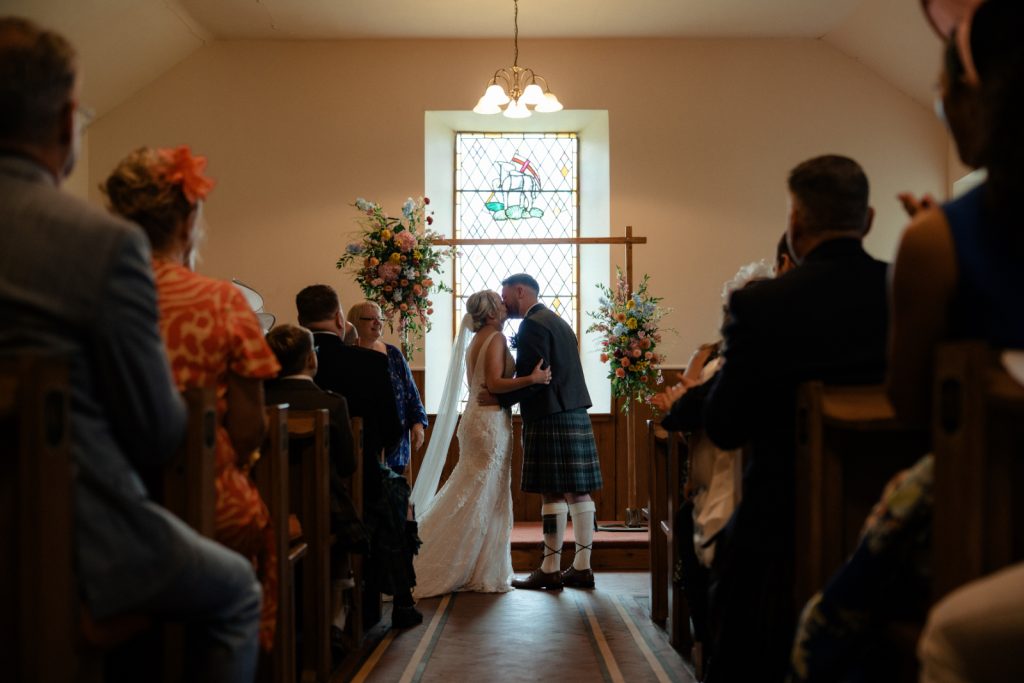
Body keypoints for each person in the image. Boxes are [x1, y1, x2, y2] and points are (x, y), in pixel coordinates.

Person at [0, 17, 261, 681]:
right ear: (65, 125)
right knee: (234, 591)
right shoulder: (96, 246)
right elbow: (156, 431)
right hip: (61, 531)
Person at [790, 2, 1024, 681]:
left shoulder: (942, 241)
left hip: (995, 503)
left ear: (978, 99)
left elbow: (911, 403)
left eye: (942, 88)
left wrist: (938, 253)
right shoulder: (942, 237)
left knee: (824, 634)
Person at [685, 155, 888, 682]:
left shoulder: (764, 305)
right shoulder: (902, 292)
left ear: (794, 224)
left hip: (784, 524)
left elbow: (726, 423)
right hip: (887, 523)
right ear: (867, 221)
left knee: (733, 612)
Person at [102, 145, 281, 652]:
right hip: (204, 504)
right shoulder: (220, 300)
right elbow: (249, 427)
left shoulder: (89, 294)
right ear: (188, 224)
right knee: (245, 563)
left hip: (97, 504)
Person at [295, 285, 421, 629]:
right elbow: (393, 429)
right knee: (397, 499)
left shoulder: (280, 365)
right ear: (341, 319)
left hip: (292, 493)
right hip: (358, 486)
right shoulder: (369, 363)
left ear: (299, 321)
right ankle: (401, 601)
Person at [412, 291, 551, 599]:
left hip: (482, 418)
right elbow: (495, 384)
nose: (505, 306)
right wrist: (533, 379)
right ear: (490, 313)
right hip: (488, 423)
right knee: (478, 491)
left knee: (477, 490)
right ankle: (442, 561)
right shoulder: (496, 338)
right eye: (500, 304)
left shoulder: (477, 340)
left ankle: (478, 566)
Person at [484, 274, 603, 591]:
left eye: (505, 294)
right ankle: (582, 567)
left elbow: (534, 378)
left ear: (520, 291)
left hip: (549, 414)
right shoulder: (558, 321)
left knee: (552, 491)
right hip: (574, 411)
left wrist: (500, 398)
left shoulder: (532, 324)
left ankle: (550, 568)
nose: (503, 301)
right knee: (579, 491)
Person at [264, 324, 363, 646]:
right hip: (319, 509)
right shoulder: (332, 404)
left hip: (264, 507)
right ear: (311, 359)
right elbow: (349, 465)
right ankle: (335, 618)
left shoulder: (259, 400)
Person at [348, 301, 428, 476]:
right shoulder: (347, 355)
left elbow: (411, 393)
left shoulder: (393, 354)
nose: (377, 322)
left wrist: (417, 424)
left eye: (380, 318)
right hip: (362, 441)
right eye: (371, 318)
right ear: (355, 323)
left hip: (396, 441)